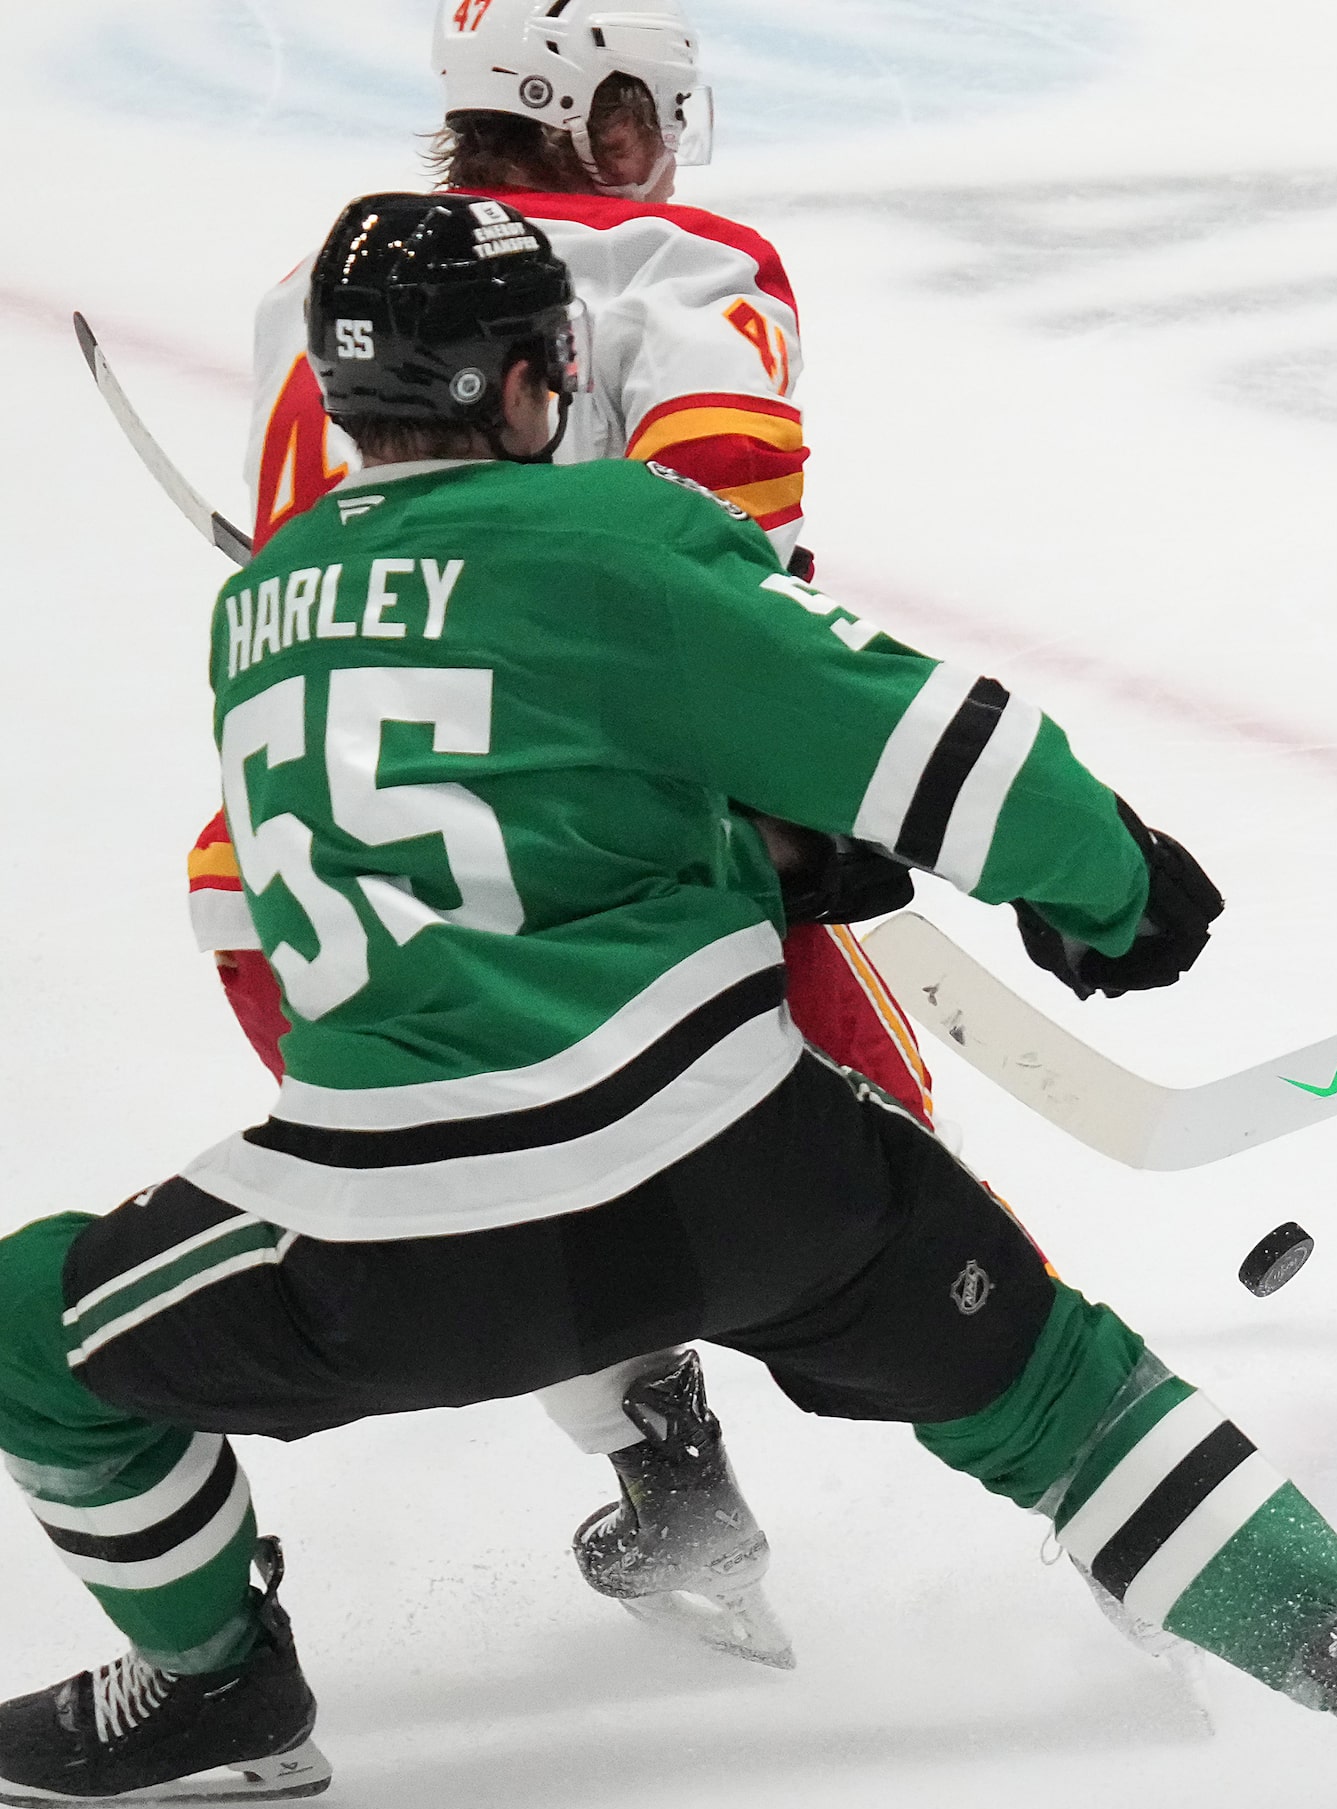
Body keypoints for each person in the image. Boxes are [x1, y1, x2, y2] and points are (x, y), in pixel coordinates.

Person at [0, 195, 1337, 1809]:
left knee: (34, 1327)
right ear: (525, 384)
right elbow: (934, 738)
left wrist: (740, 853)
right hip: (739, 1166)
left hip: (396, 1239)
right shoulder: (611, 536)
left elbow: (351, 903)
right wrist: (1109, 883)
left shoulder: (253, 616)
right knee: (1061, 1395)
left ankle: (225, 1675)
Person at [184, 0, 928, 1659]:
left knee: (485, 1171)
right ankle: (1099, 1487)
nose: (659, 138)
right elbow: (731, 523)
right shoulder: (674, 258)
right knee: (884, 1165)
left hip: (316, 885)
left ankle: (660, 1461)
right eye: (643, 109)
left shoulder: (316, 298)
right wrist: (801, 792)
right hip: (612, 851)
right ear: (591, 118)